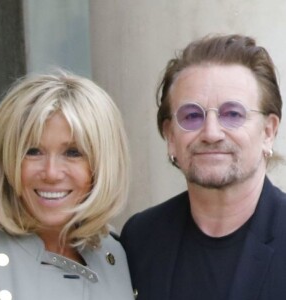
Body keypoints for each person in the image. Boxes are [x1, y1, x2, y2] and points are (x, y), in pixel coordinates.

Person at [120, 34, 286, 300]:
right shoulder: (141, 238)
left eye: (233, 114)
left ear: (268, 131)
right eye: (192, 116)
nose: (211, 133)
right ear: (171, 136)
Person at [0, 71, 135, 299]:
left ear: (102, 164)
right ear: (6, 160)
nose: (52, 173)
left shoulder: (118, 254)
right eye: (33, 151)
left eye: (73, 152)